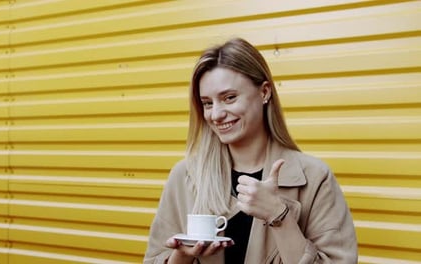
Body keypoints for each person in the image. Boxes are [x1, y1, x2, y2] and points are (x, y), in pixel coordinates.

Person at [143, 38, 357, 264]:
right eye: (207, 103)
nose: (216, 115)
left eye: (229, 98)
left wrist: (279, 216)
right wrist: (182, 256)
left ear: (264, 92)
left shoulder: (314, 178)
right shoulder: (185, 176)